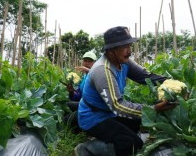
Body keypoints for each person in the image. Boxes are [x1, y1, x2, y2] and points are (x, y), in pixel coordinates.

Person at [75, 26, 177, 156]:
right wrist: (153, 108)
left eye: (129, 45)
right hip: (93, 117)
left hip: (108, 112)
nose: (129, 51)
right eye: (124, 46)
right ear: (111, 50)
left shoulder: (123, 62)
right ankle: (87, 149)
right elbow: (118, 106)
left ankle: (105, 140)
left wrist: (172, 83)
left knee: (137, 123)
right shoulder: (103, 70)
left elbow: (146, 77)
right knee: (132, 143)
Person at [64, 51, 97, 133]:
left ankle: (82, 129)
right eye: (85, 61)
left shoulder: (97, 75)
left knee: (68, 117)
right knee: (66, 105)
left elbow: (99, 78)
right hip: (84, 103)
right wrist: (71, 92)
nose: (87, 63)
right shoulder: (84, 77)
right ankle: (77, 129)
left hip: (92, 106)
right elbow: (78, 95)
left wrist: (89, 71)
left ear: (95, 63)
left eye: (90, 61)